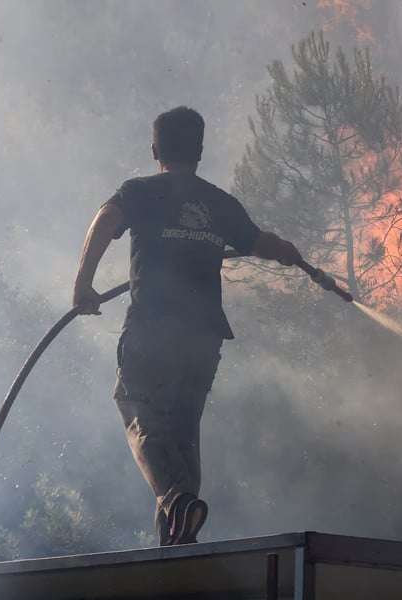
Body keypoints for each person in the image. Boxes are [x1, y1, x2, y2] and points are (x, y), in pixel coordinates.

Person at [72, 106, 301, 546]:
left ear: (155, 149)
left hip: (153, 329)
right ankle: (180, 540)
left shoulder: (140, 191)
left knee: (135, 403)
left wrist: (84, 284)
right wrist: (289, 251)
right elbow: (259, 243)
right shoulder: (220, 203)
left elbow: (106, 218)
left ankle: (176, 501)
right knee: (181, 433)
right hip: (203, 339)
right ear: (199, 151)